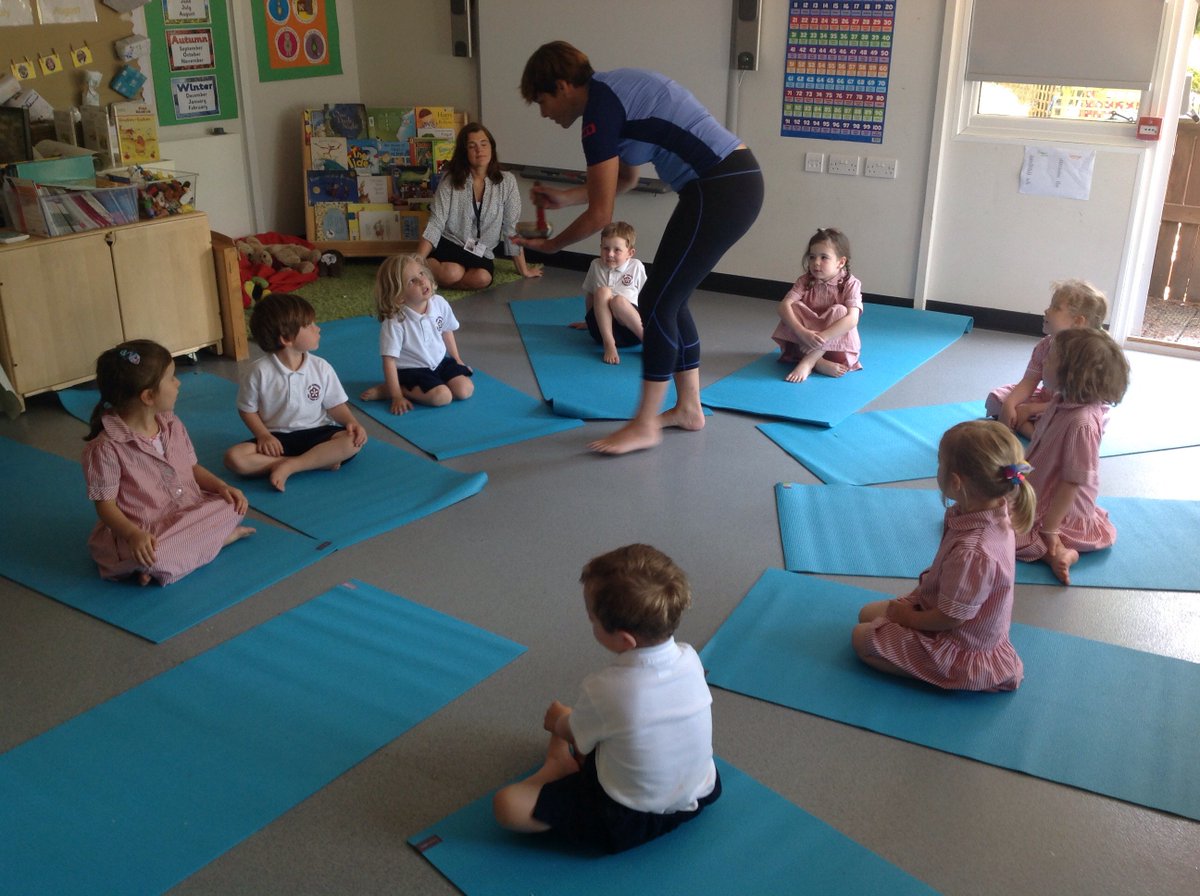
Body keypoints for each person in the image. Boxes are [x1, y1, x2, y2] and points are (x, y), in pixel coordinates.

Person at [516, 41, 764, 454]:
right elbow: (625, 181)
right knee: (671, 298)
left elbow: (601, 214)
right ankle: (688, 409)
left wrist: (553, 245)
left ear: (561, 86)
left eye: (542, 101)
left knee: (656, 301)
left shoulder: (599, 111)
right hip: (727, 183)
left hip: (720, 185)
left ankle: (646, 422)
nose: (543, 112)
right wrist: (564, 198)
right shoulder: (612, 95)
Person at [492, 544, 720, 853]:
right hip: (700, 792)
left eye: (592, 619)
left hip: (624, 820)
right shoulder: (690, 657)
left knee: (507, 805)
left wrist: (558, 721)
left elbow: (573, 732)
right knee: (620, 730)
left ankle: (556, 767)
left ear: (625, 640)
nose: (590, 623)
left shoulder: (606, 688)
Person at [851, 420, 1034, 691]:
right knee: (866, 613)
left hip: (958, 642)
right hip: (939, 606)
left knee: (861, 639)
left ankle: (948, 674)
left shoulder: (974, 551)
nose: (937, 469)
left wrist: (910, 620)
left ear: (956, 482)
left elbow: (952, 618)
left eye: (940, 464)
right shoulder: (994, 506)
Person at [82, 340, 253, 586]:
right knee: (153, 553)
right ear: (148, 396)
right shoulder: (105, 448)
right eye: (172, 378)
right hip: (147, 532)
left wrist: (221, 487)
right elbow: (105, 506)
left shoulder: (172, 424)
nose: (178, 383)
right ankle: (215, 541)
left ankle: (168, 563)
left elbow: (192, 468)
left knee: (233, 505)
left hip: (189, 508)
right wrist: (133, 535)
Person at [1014, 327, 1130, 585]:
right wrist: (1015, 474)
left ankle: (1059, 554)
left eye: (1052, 359)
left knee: (1004, 531)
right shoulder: (1061, 400)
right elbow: (1040, 448)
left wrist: (1050, 528)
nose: (1045, 362)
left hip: (1058, 505)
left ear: (1072, 374)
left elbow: (1071, 482)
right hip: (1039, 484)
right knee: (987, 502)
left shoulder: (1083, 423)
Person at [224, 293, 367, 492]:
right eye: (309, 326)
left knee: (353, 442)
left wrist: (352, 423)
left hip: (318, 432)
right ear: (286, 339)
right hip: (278, 439)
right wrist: (264, 436)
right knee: (234, 458)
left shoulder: (321, 367)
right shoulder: (258, 372)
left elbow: (335, 405)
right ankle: (310, 462)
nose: (318, 329)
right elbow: (247, 410)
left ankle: (291, 466)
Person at [417, 122, 541, 290]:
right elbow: (436, 222)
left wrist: (524, 270)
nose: (479, 150)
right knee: (452, 272)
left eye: (484, 144)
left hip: (481, 251)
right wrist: (415, 262)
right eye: (472, 146)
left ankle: (439, 282)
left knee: (482, 278)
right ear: (464, 152)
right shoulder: (450, 181)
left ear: (492, 147)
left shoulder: (507, 182)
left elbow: (511, 227)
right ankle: (427, 266)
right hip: (452, 242)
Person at [985, 279, 1108, 438]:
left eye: (1055, 308)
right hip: (1046, 399)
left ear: (1077, 321)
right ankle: (1034, 429)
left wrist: (1030, 409)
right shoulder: (1046, 345)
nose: (1046, 311)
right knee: (997, 398)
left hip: (1074, 408)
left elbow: (1077, 403)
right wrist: (1009, 404)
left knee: (1072, 425)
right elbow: (1029, 380)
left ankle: (1034, 432)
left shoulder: (1089, 355)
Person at [359, 254, 474, 414]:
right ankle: (397, 388)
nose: (422, 281)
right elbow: (389, 361)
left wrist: (457, 359)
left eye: (421, 273)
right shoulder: (395, 321)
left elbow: (447, 330)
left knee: (465, 389)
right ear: (398, 296)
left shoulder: (439, 303)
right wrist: (397, 396)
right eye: (412, 281)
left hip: (439, 362)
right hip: (413, 370)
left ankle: (430, 383)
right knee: (442, 397)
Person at [771, 227, 863, 382]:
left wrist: (821, 338)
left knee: (840, 311)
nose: (816, 263)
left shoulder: (851, 283)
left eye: (824, 257)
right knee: (792, 307)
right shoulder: (805, 280)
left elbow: (853, 319)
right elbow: (783, 306)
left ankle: (808, 362)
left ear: (841, 262)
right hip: (804, 342)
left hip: (834, 345)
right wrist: (802, 333)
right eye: (812, 257)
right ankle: (818, 362)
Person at [568, 220, 647, 364]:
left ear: (630, 252)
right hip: (602, 332)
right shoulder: (596, 265)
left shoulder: (636, 267)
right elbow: (591, 296)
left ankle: (649, 342)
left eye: (617, 250)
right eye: (605, 248)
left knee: (618, 301)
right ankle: (609, 344)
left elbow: (647, 299)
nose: (610, 254)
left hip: (630, 331)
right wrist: (589, 321)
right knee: (602, 292)